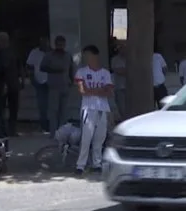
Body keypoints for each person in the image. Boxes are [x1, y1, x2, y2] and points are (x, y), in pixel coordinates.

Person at [73, 45, 113, 176]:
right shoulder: (81, 72)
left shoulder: (105, 73)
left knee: (99, 138)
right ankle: (80, 165)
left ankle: (97, 163)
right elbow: (82, 91)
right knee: (86, 137)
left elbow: (109, 92)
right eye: (85, 56)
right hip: (88, 108)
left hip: (103, 108)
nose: (87, 58)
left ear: (95, 56)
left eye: (88, 55)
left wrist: (92, 91)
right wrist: (99, 91)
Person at [39, 35, 75, 134]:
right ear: (55, 44)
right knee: (53, 110)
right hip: (54, 86)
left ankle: (62, 132)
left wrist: (72, 80)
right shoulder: (49, 55)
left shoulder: (68, 56)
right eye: (58, 44)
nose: (60, 46)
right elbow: (42, 67)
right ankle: (53, 132)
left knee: (64, 111)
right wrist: (54, 70)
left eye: (62, 44)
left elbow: (71, 69)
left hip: (65, 85)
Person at [0, 32, 21, 135]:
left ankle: (12, 129)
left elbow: (19, 65)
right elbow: (0, 69)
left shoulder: (12, 51)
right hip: (3, 83)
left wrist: (21, 79)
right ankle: (3, 129)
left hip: (13, 83)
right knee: (1, 108)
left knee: (13, 108)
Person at [25, 36, 51, 133]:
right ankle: (44, 126)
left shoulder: (52, 52)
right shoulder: (34, 52)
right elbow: (29, 66)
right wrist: (33, 80)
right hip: (39, 82)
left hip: (52, 83)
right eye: (42, 42)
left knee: (53, 105)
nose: (44, 44)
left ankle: (53, 125)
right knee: (42, 105)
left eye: (46, 42)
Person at [111, 41, 128, 119]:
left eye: (124, 48)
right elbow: (117, 71)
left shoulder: (130, 58)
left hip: (130, 87)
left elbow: (135, 71)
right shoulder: (115, 59)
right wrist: (128, 71)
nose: (123, 49)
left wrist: (125, 70)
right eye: (121, 48)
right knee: (122, 108)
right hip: (119, 87)